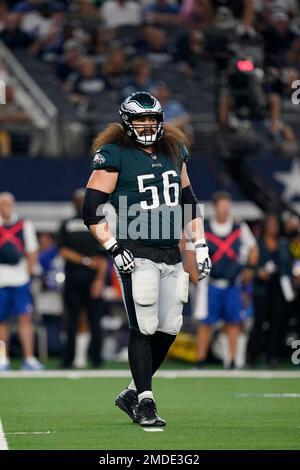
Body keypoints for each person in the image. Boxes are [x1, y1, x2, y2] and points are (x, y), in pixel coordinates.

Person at [82, 91, 211, 427]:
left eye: (151, 119)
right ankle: (145, 401)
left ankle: (130, 392)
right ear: (127, 121)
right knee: (145, 325)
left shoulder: (173, 149)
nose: (146, 125)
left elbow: (188, 200)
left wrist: (200, 244)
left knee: (170, 326)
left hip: (171, 251)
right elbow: (91, 210)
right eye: (140, 119)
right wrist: (113, 246)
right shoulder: (114, 154)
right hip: (135, 251)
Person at [193, 191, 258, 369]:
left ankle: (232, 360)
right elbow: (191, 251)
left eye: (227, 205)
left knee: (233, 322)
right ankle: (200, 361)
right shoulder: (205, 228)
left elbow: (253, 248)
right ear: (215, 207)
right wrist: (195, 276)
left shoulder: (239, 228)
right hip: (211, 284)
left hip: (232, 284)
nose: (224, 209)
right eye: (222, 205)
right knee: (205, 323)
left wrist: (249, 270)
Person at [58, 188, 108, 369]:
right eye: (78, 200)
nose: (80, 203)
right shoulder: (67, 224)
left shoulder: (99, 224)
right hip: (73, 277)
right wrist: (86, 261)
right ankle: (68, 358)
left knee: (96, 320)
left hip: (93, 279)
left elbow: (104, 256)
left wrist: (100, 280)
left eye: (83, 200)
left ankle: (97, 358)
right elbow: (63, 250)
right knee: (71, 319)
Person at [0, 192, 43, 371]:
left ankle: (29, 358)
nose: (6, 207)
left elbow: (32, 251)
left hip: (20, 279)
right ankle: (3, 359)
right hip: (1, 280)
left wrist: (29, 275)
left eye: (9, 204)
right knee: (1, 321)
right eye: (3, 204)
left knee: (25, 318)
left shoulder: (24, 225)